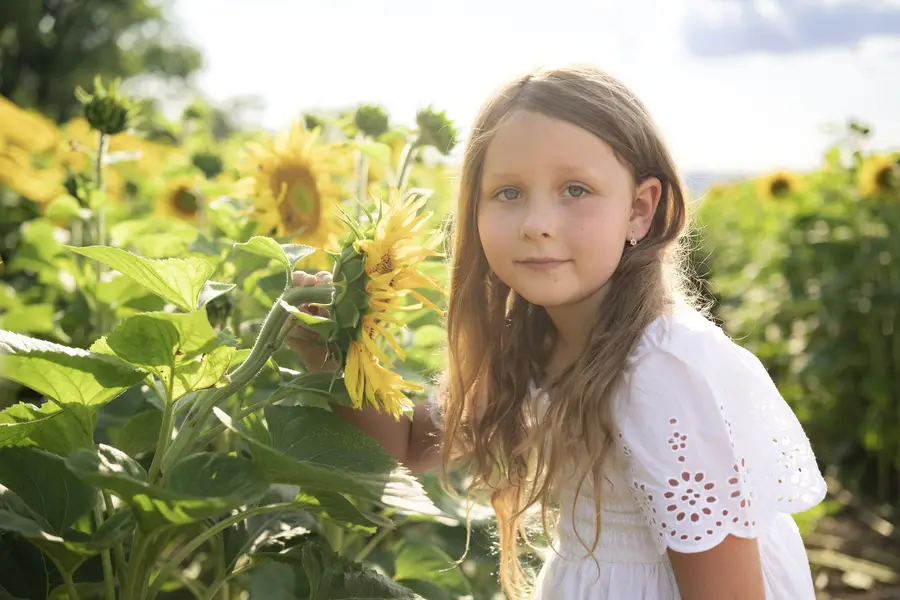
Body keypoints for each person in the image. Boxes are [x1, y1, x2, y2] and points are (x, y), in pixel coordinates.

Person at [285, 64, 828, 600]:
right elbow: (402, 450)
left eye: (575, 189)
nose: (536, 222)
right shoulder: (530, 346)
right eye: (508, 193)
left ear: (640, 210)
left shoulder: (663, 372)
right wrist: (334, 353)